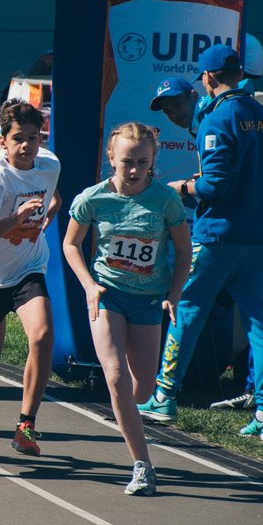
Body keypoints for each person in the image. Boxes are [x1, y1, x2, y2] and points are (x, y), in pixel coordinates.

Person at [138, 44, 263, 442]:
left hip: (217, 238)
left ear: (207, 79)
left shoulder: (217, 120)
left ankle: (164, 396)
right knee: (262, 324)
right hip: (261, 240)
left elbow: (214, 185)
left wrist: (181, 187)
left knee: (185, 310)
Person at [63, 122, 191, 495]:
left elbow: (183, 250)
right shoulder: (93, 198)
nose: (134, 170)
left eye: (142, 162)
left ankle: (125, 410)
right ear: (111, 159)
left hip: (149, 299)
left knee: (141, 388)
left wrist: (174, 293)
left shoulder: (165, 200)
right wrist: (89, 285)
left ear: (153, 160)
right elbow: (71, 245)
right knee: (116, 376)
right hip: (109, 295)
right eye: (126, 162)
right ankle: (143, 466)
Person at [0, 100, 62, 456]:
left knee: (43, 335)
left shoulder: (50, 165)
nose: (26, 146)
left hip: (28, 269)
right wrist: (18, 219)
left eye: (33, 138)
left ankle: (26, 426)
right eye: (18, 138)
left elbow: (55, 196)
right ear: (2, 141)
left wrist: (48, 213)